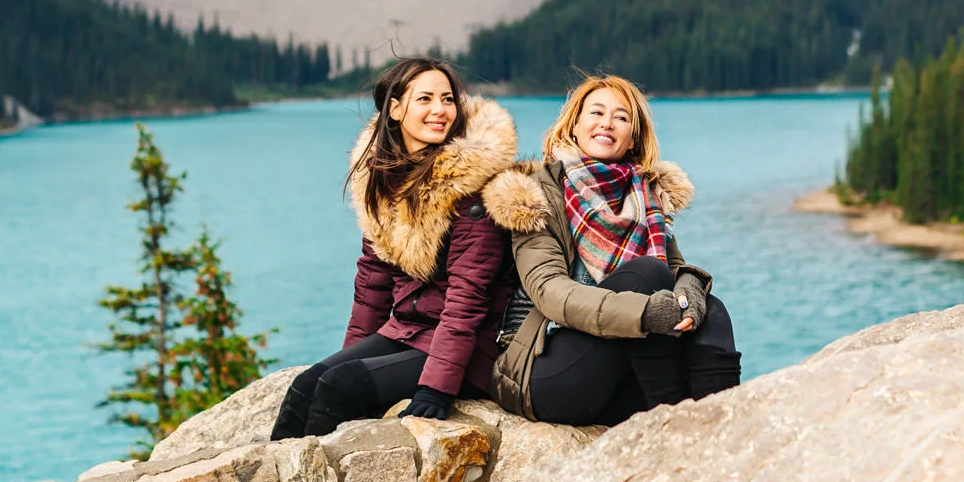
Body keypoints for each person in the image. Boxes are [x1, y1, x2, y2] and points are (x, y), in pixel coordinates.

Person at [271, 57, 517, 438]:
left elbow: (468, 300)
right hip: (406, 331)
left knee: (341, 386)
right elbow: (373, 283)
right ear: (397, 110)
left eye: (448, 99)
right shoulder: (384, 180)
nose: (440, 110)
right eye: (426, 99)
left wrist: (436, 387)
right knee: (308, 384)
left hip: (469, 350)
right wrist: (347, 358)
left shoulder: (473, 193)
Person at [484, 74, 741, 425]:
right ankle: (672, 422)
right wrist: (645, 313)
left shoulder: (645, 194)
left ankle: (723, 424)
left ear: (633, 136)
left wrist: (691, 289)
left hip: (618, 371)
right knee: (646, 274)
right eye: (596, 113)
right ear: (573, 124)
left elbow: (674, 269)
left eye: (621, 117)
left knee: (712, 309)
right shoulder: (537, 192)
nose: (607, 123)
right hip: (547, 367)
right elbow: (550, 292)